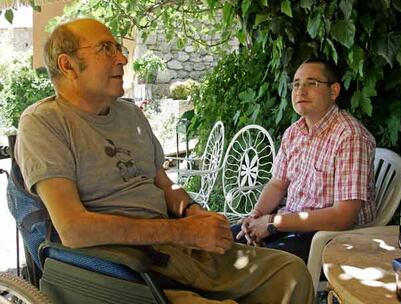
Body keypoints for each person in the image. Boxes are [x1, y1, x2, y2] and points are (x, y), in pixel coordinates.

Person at [15, 19, 314, 304]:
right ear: (67, 65)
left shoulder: (130, 115)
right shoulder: (45, 123)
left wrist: (194, 213)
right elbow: (74, 228)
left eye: (118, 47)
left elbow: (166, 185)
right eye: (106, 48)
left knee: (290, 273)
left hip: (173, 248)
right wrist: (183, 232)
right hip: (121, 266)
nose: (122, 58)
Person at [232, 58, 376, 263]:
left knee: (253, 264)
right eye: (296, 83)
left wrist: (273, 222)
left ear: (333, 91)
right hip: (288, 223)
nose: (301, 90)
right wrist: (256, 215)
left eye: (312, 83)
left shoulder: (350, 137)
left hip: (329, 237)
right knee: (222, 242)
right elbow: (277, 183)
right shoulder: (294, 133)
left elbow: (343, 216)